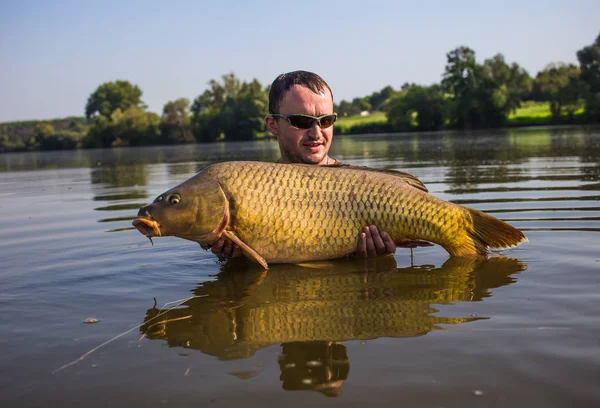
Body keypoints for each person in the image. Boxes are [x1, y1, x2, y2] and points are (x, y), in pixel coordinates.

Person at [211, 70, 396, 260]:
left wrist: (376, 259)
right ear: (272, 124)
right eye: (302, 121)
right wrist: (234, 258)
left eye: (325, 121)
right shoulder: (251, 191)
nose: (316, 133)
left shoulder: (365, 186)